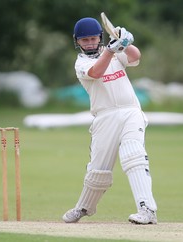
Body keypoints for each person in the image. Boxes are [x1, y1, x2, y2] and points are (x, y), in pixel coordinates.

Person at [62, 17, 157, 225]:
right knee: (98, 171)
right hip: (105, 117)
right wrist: (111, 50)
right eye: (84, 40)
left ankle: (147, 209)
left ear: (100, 37)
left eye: (93, 38)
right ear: (77, 41)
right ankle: (84, 207)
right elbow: (96, 72)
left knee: (134, 155)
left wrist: (126, 42)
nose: (89, 43)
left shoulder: (114, 52)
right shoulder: (82, 63)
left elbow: (135, 57)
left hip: (131, 111)